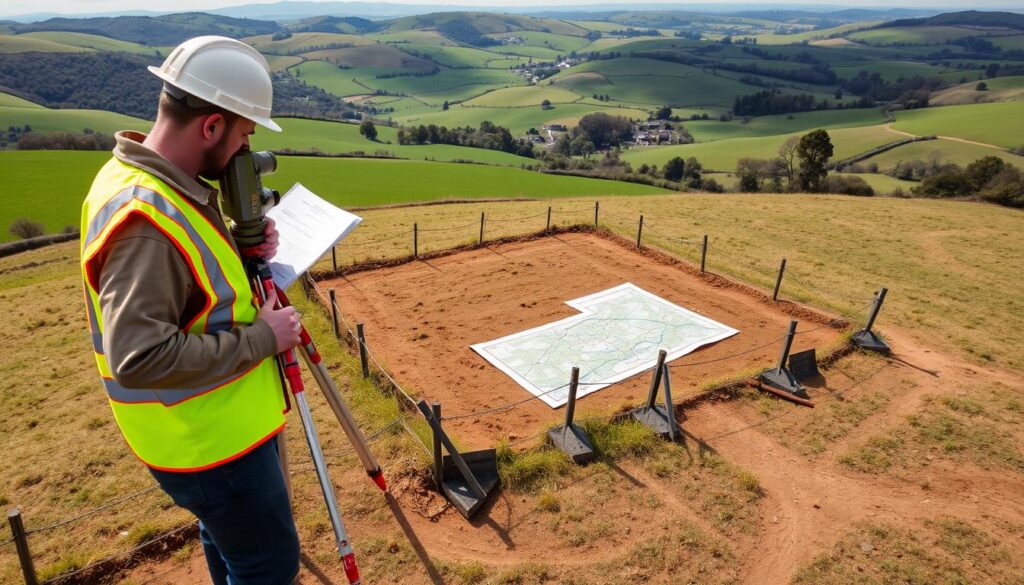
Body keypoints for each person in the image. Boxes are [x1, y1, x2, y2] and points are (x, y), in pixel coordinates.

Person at [80, 36, 302, 584]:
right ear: (210, 126)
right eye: (244, 134)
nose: (245, 151)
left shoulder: (150, 181)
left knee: (231, 550)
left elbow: (188, 284)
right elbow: (140, 355)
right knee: (267, 568)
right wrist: (264, 338)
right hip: (211, 444)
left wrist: (240, 245)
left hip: (216, 433)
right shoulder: (143, 220)